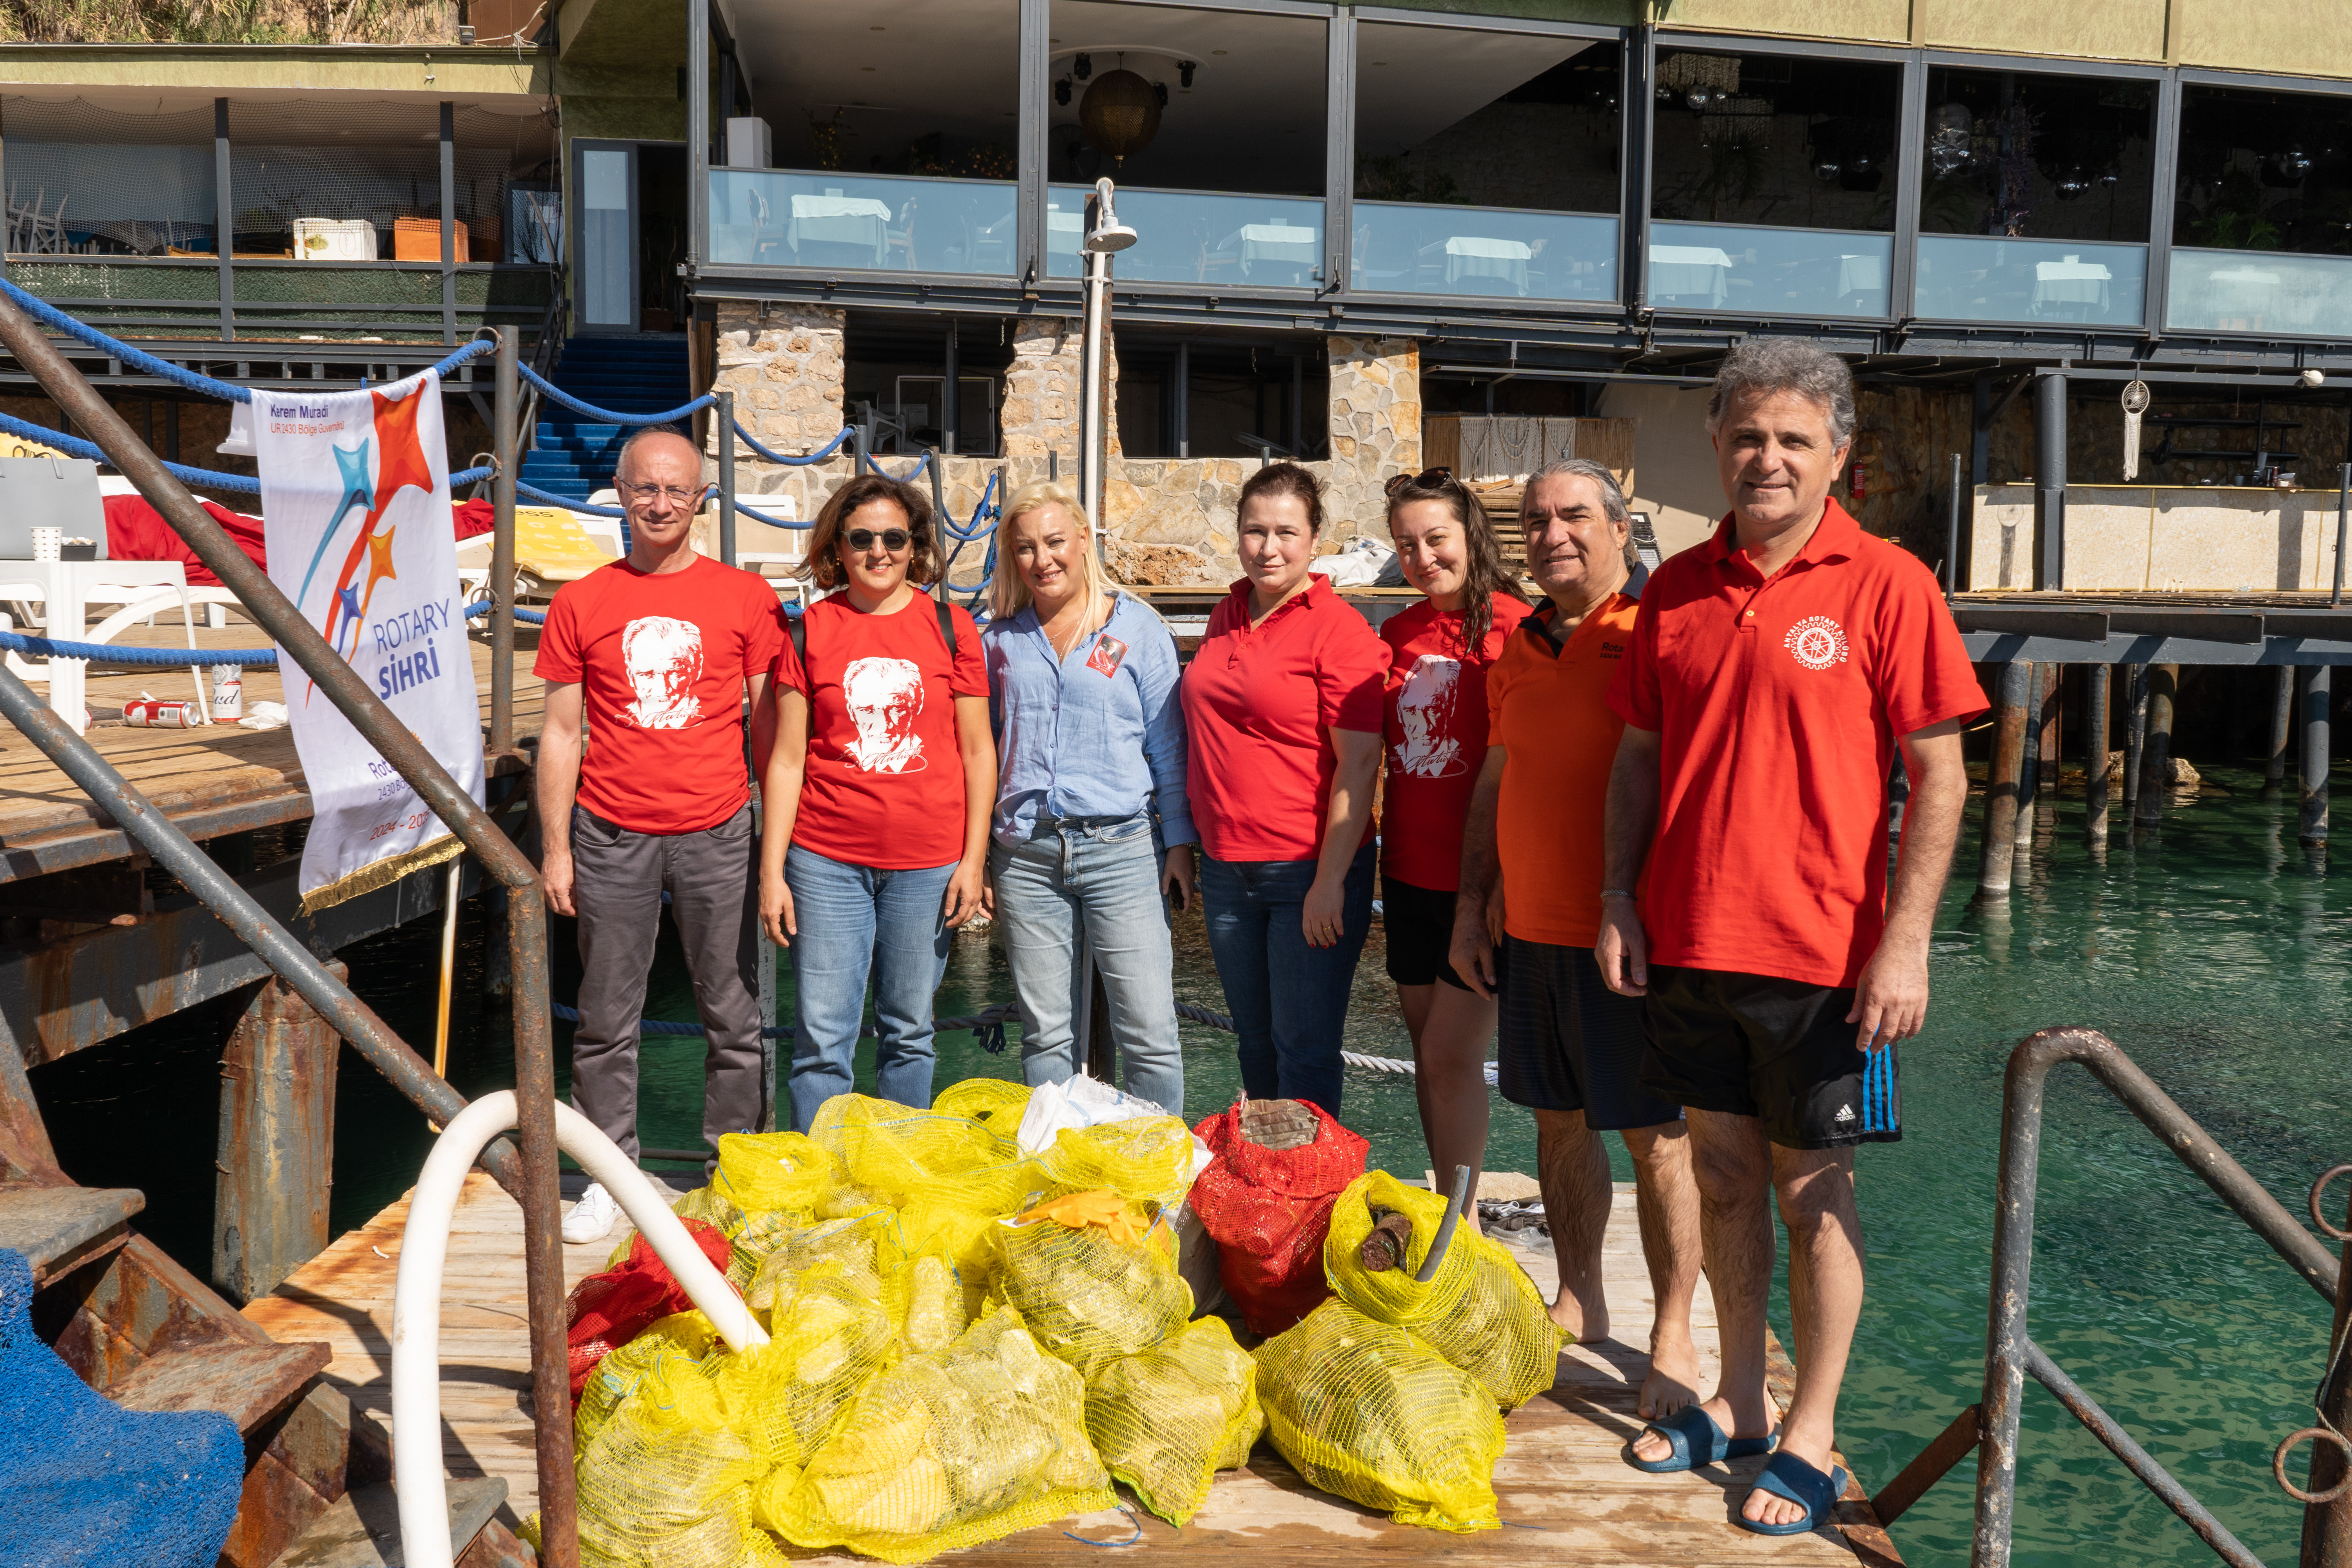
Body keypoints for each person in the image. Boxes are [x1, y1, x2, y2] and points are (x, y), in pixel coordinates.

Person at [1601, 339, 1982, 1534]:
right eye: (1747, 436)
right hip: (1691, 940)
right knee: (1720, 1177)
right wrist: (1618, 895)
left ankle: (1812, 1434)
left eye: (1792, 440)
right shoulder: (1672, 591)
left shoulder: (1889, 584)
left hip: (1826, 959)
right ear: (1718, 445)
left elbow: (1941, 776)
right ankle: (1744, 1402)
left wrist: (1907, 943)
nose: (1766, 458)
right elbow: (1638, 757)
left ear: (1839, 456)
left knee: (1816, 1190)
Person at [1450, 457, 1704, 1421]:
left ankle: (1673, 1330)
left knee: (1657, 1138)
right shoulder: (1516, 644)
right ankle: (1583, 1292)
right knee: (1554, 1120)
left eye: (1572, 516)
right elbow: (1495, 779)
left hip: (1621, 932)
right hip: (1531, 932)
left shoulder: (1653, 631)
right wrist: (1474, 905)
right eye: (1534, 520)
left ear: (1617, 526)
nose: (1552, 534)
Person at [535, 426, 784, 1244]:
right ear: (621, 492)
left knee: (734, 1018)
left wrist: (777, 845)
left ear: (703, 500)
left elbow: (771, 725)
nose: (662, 503)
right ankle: (609, 1177)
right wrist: (556, 847)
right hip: (610, 833)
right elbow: (562, 734)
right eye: (646, 488)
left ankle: (733, 1176)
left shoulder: (745, 599)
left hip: (718, 830)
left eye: (678, 490)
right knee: (607, 1019)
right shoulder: (581, 602)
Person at [759, 472, 994, 1132]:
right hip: (826, 861)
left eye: (895, 537)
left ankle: (897, 1177)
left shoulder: (951, 629)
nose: (879, 551)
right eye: (861, 538)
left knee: (909, 1030)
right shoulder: (810, 632)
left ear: (915, 545)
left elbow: (979, 752)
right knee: (822, 1040)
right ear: (838, 547)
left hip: (929, 865)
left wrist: (974, 863)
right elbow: (787, 759)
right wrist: (772, 871)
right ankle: (821, 1179)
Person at [981, 482, 1195, 1112]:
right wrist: (978, 857)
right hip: (1026, 856)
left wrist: (1178, 844)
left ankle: (1158, 1183)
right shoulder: (998, 640)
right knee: (1046, 1036)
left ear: (1082, 542)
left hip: (1121, 849)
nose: (1043, 560)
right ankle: (1057, 1174)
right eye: (1025, 548)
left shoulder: (1137, 628)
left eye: (1054, 542)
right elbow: (980, 752)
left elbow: (1168, 745)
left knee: (1149, 1032)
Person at [1183, 462, 1387, 1115]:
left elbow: (1358, 768)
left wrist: (1330, 881)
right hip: (1225, 869)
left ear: (1315, 539)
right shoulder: (1226, 614)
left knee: (1305, 1047)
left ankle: (1312, 1200)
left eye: (1286, 533)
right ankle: (1268, 1195)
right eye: (1254, 531)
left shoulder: (1341, 631)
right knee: (1255, 1046)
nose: (1268, 548)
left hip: (1305, 869)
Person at [1374, 468, 1531, 1213]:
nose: (1423, 556)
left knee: (1450, 1057)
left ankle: (1460, 1227)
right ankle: (1447, 1210)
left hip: (1484, 882)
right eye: (1406, 544)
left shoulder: (1515, 628)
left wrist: (1501, 885)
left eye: (1436, 538)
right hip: (1407, 874)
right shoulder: (1397, 633)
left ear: (1471, 535)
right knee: (1428, 1061)